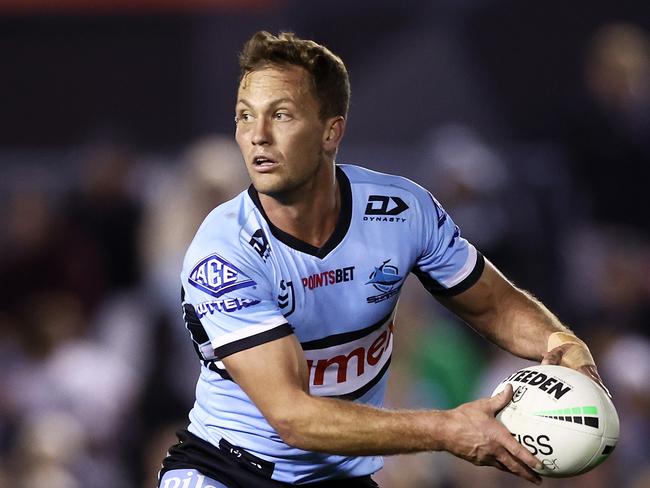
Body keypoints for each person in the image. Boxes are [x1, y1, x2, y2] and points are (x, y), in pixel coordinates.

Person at [158, 31, 608, 488]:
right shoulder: (224, 251)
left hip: (341, 477)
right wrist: (446, 429)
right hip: (228, 472)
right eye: (244, 116)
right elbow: (293, 418)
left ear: (331, 131)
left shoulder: (402, 210)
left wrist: (560, 342)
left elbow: (494, 304)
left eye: (281, 115)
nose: (257, 136)